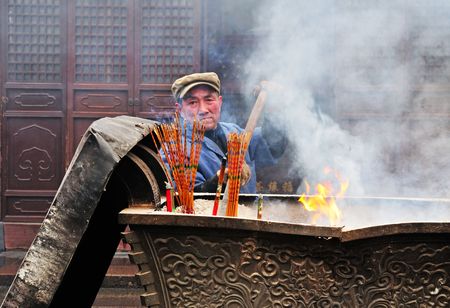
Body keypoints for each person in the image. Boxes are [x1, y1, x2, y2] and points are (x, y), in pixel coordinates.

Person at [170, 72, 286, 194]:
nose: (203, 110)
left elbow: (272, 146)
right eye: (193, 102)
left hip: (248, 212)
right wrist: (218, 181)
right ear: (179, 110)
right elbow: (188, 197)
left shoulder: (234, 132)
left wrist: (274, 109)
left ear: (219, 102)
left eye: (209, 100)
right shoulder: (175, 149)